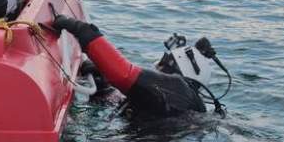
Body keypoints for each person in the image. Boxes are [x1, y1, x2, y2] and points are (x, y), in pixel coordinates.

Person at [51, 15, 207, 117]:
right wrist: (102, 87)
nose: (158, 68)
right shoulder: (174, 103)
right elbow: (122, 100)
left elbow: (123, 74)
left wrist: (83, 31)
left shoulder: (178, 88)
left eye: (163, 63)